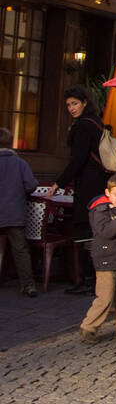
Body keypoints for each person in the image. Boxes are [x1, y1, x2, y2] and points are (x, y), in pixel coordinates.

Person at [49, 86, 107, 296]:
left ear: (84, 102)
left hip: (89, 186)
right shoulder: (97, 122)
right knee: (95, 232)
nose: (71, 108)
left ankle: (87, 281)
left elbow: (78, 160)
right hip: (100, 185)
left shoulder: (83, 126)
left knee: (85, 232)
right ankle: (92, 281)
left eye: (74, 104)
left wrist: (59, 183)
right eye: (68, 105)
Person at [79, 172, 116, 343]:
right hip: (105, 258)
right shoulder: (100, 210)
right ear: (107, 193)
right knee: (105, 297)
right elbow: (104, 231)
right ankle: (88, 327)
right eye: (115, 195)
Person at [0, 127, 39, 297]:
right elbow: (31, 185)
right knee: (20, 249)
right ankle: (28, 285)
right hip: (14, 212)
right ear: (12, 143)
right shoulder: (20, 163)